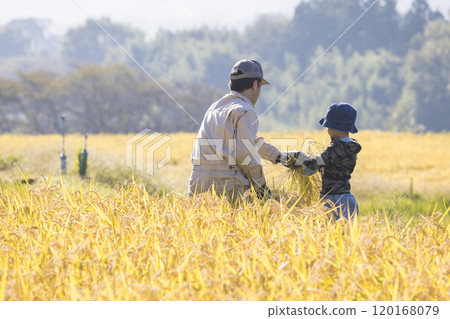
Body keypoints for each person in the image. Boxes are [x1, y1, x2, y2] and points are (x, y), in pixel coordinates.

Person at [188, 59, 284, 202]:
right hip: (227, 187)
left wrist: (279, 156)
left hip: (197, 185)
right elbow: (245, 153)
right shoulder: (245, 110)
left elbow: (246, 142)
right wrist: (261, 187)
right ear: (255, 85)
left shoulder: (216, 107)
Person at [287, 103, 362, 220]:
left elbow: (313, 164)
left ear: (332, 128)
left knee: (332, 234)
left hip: (333, 201)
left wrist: (298, 155)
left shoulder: (335, 149)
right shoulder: (351, 148)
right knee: (347, 236)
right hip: (348, 200)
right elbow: (333, 168)